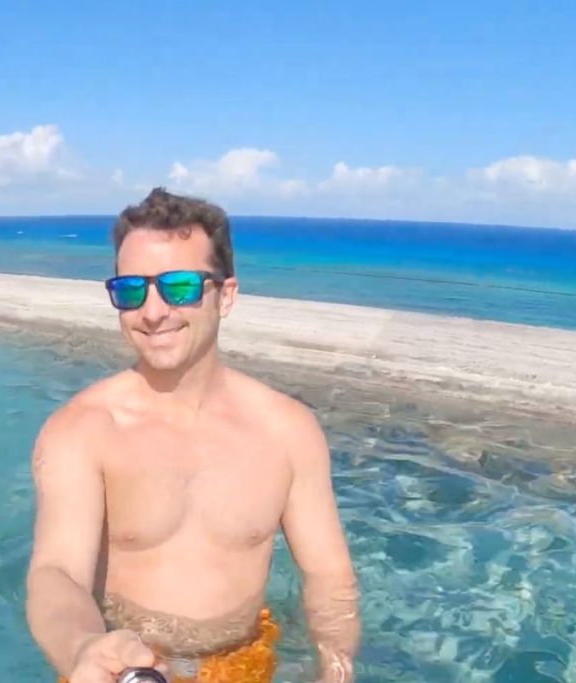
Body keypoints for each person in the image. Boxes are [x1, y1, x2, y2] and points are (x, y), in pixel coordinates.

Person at [25, 188, 360, 683]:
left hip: (242, 666)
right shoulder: (82, 431)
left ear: (225, 296)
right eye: (132, 289)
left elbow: (330, 578)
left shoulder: (287, 430)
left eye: (179, 287)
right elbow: (56, 573)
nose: (153, 311)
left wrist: (335, 666)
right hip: (118, 670)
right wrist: (82, 648)